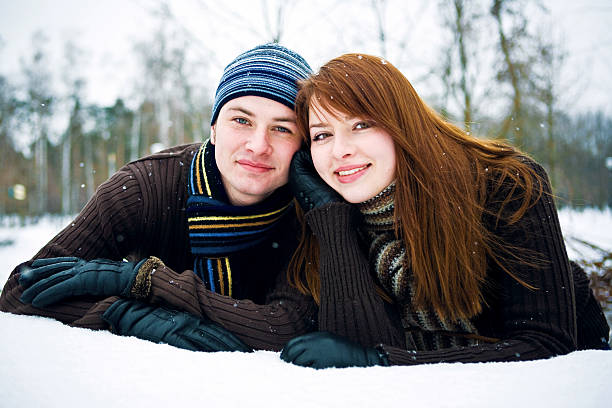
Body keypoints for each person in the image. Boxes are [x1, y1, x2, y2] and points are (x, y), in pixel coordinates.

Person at [281, 53, 610, 368]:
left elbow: (546, 346)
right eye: (322, 135)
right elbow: (353, 355)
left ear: (401, 123)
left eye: (361, 125)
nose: (340, 151)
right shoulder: (331, 212)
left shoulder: (504, 186)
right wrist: (330, 219)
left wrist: (384, 362)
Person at [0, 43, 318, 352]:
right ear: (214, 128)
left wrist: (148, 282)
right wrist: (131, 316)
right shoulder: (145, 188)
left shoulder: (308, 208)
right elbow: (20, 291)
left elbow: (288, 327)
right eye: (241, 120)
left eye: (282, 129)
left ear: (303, 143)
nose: (258, 145)